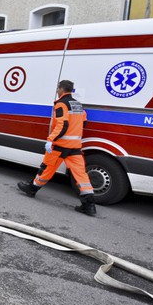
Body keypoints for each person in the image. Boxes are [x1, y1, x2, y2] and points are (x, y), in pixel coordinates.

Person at [18, 80, 97, 216]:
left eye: (58, 88)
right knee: (81, 176)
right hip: (75, 146)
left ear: (61, 89)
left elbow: (62, 124)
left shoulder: (61, 104)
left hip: (60, 145)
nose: (57, 91)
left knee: (47, 168)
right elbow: (83, 123)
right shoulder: (78, 105)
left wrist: (51, 140)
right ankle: (89, 206)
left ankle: (32, 189)